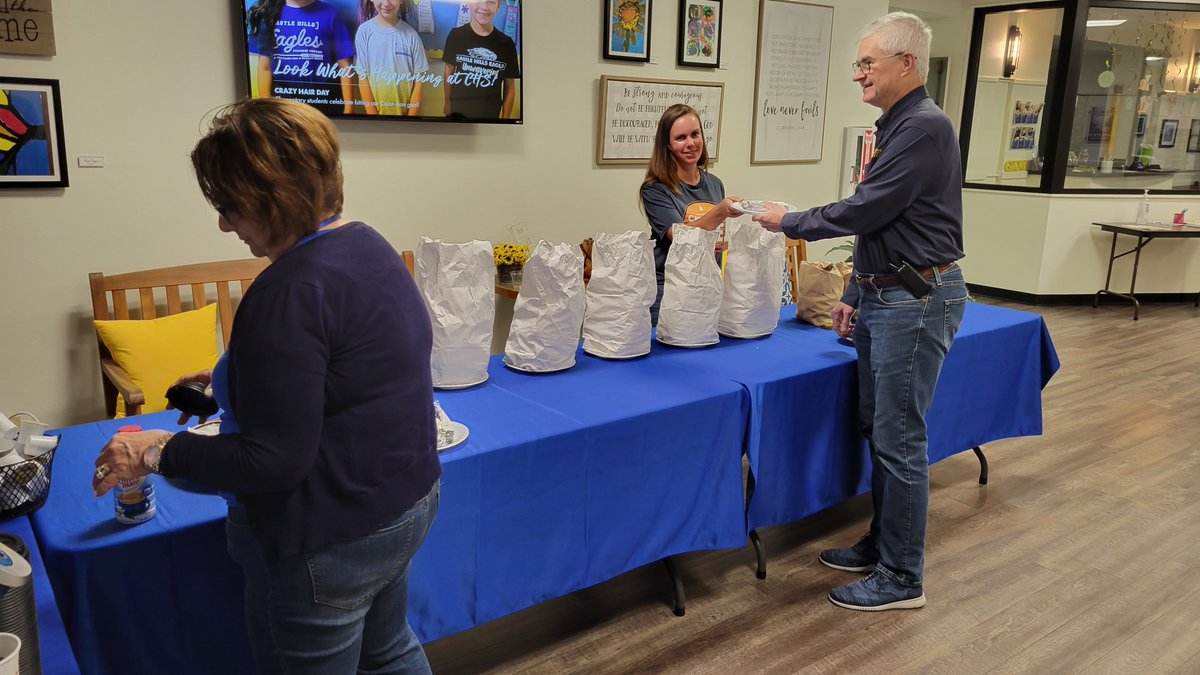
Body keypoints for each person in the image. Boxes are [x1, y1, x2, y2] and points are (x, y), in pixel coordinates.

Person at [91, 97, 442, 672]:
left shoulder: (286, 290)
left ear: (274, 200)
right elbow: (355, 363)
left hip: (327, 539)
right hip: (406, 503)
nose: (224, 224)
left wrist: (154, 450)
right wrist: (239, 372)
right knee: (390, 652)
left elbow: (273, 463)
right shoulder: (367, 245)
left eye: (231, 207)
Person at [753, 11, 967, 612]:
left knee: (900, 440)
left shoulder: (922, 128)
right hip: (886, 293)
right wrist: (853, 294)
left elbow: (865, 207)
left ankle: (903, 579)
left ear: (906, 64)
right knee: (881, 430)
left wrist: (787, 221)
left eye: (867, 63)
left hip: (916, 300)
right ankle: (883, 544)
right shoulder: (898, 126)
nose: (857, 75)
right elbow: (886, 220)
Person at [639, 103, 742, 324]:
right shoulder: (655, 190)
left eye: (695, 134)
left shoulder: (715, 184)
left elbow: (718, 237)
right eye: (681, 138)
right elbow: (680, 236)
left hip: (706, 287)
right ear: (667, 145)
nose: (691, 144)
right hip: (669, 292)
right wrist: (721, 211)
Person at [247, 0, 355, 116]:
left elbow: (345, 65)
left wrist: (349, 108)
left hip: (322, 97)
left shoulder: (331, 14)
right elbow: (264, 67)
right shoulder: (268, 14)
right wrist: (265, 108)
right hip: (282, 98)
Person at [442, 0, 521, 119]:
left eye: (491, 2)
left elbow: (509, 88)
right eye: (478, 1)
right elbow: (449, 72)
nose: (484, 7)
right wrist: (447, 103)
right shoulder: (456, 35)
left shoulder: (506, 44)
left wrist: (506, 119)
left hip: (489, 117)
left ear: (498, 7)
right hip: (457, 115)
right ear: (468, 3)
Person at [355, 0, 430, 116]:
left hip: (406, 119)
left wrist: (409, 120)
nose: (386, 3)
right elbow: (362, 78)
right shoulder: (364, 32)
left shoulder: (412, 37)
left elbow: (419, 82)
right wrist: (374, 118)